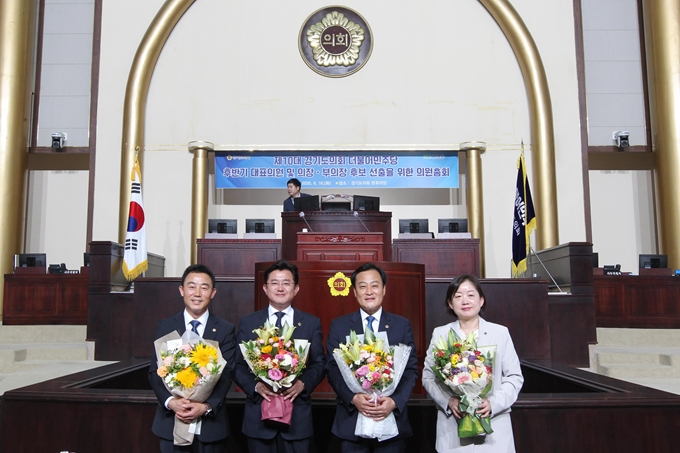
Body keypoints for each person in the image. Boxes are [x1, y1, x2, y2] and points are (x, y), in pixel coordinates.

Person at [422, 274, 523, 452]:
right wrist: (449, 401)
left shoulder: (500, 333)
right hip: (453, 428)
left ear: (481, 300)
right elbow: (429, 377)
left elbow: (514, 377)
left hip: (494, 428)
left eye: (470, 295)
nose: (465, 301)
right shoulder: (441, 334)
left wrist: (493, 403)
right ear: (450, 304)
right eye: (458, 296)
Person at [233, 260, 326, 453]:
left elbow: (319, 363)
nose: (280, 288)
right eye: (275, 283)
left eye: (286, 283)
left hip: (297, 418)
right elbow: (237, 365)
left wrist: (303, 384)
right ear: (265, 288)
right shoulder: (249, 322)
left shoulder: (310, 323)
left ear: (296, 288)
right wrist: (256, 386)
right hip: (258, 417)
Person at [325, 262, 418, 453]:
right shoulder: (339, 326)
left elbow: (410, 370)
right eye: (362, 286)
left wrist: (394, 401)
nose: (369, 291)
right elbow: (332, 370)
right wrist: (353, 398)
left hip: (391, 422)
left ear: (384, 289)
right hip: (352, 423)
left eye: (374, 285)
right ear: (354, 292)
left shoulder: (401, 325)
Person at [149, 264, 236, 453]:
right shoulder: (165, 326)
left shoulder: (224, 329)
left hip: (210, 427)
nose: (197, 293)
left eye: (204, 287)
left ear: (213, 293)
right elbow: (154, 372)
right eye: (191, 286)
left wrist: (205, 406)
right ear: (182, 290)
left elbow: (227, 374)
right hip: (170, 423)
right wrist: (170, 402)